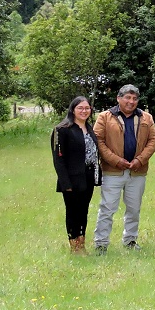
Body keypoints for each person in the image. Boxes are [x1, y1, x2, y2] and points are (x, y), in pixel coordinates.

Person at [93, 84, 155, 254]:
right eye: (127, 98)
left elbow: (153, 142)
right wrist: (115, 160)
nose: (131, 101)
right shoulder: (105, 117)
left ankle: (130, 240)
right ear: (118, 98)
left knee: (134, 208)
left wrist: (139, 160)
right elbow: (98, 141)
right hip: (112, 171)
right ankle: (101, 243)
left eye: (135, 98)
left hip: (137, 171)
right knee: (107, 208)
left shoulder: (146, 118)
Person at [51, 96, 102, 254]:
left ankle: (82, 244)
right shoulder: (62, 129)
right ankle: (74, 246)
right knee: (73, 212)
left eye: (87, 108)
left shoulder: (89, 128)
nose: (84, 111)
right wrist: (66, 183)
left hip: (88, 177)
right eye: (80, 108)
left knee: (83, 211)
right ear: (73, 109)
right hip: (72, 179)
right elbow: (59, 160)